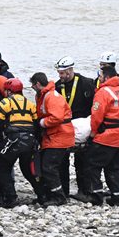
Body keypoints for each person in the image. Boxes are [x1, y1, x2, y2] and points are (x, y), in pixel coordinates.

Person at [83, 65, 119, 206]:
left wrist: (92, 135)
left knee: (92, 164)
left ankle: (96, 196)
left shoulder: (103, 92)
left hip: (108, 136)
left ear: (107, 77)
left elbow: (97, 116)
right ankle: (118, 197)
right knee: (114, 168)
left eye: (101, 76)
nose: (99, 78)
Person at [0, 78, 41, 208]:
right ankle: (42, 194)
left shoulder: (5, 103)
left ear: (8, 91)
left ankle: (11, 198)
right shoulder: (30, 104)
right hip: (30, 140)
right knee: (27, 169)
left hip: (14, 139)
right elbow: (36, 125)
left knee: (3, 166)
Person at [29, 71, 75, 206]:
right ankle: (50, 194)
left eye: (32, 85)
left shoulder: (51, 97)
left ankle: (59, 197)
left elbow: (57, 117)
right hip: (53, 136)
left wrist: (42, 123)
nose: (32, 88)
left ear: (37, 84)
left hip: (59, 136)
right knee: (48, 167)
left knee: (49, 167)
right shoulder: (45, 96)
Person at [54, 56, 96, 198]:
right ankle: (64, 191)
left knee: (82, 161)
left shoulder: (86, 83)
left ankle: (84, 191)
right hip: (64, 128)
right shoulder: (57, 86)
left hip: (82, 128)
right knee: (61, 161)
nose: (61, 76)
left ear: (71, 70)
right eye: (59, 73)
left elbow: (95, 107)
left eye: (63, 73)